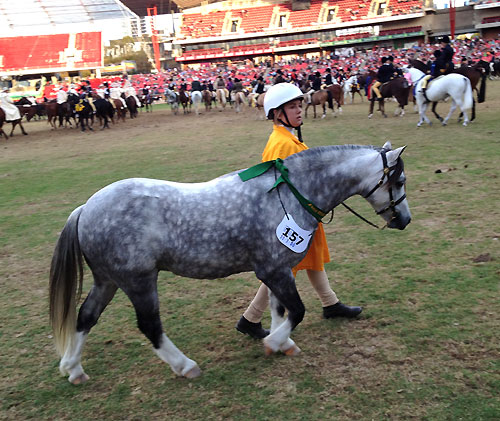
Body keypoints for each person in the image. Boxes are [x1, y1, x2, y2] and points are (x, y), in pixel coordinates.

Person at [235, 83, 362, 339]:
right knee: (283, 268)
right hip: (293, 217)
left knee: (312, 257)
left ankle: (330, 303)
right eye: (292, 107)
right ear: (277, 112)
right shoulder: (283, 144)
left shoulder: (288, 138)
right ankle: (250, 317)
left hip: (302, 214)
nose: (299, 110)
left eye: (299, 105)